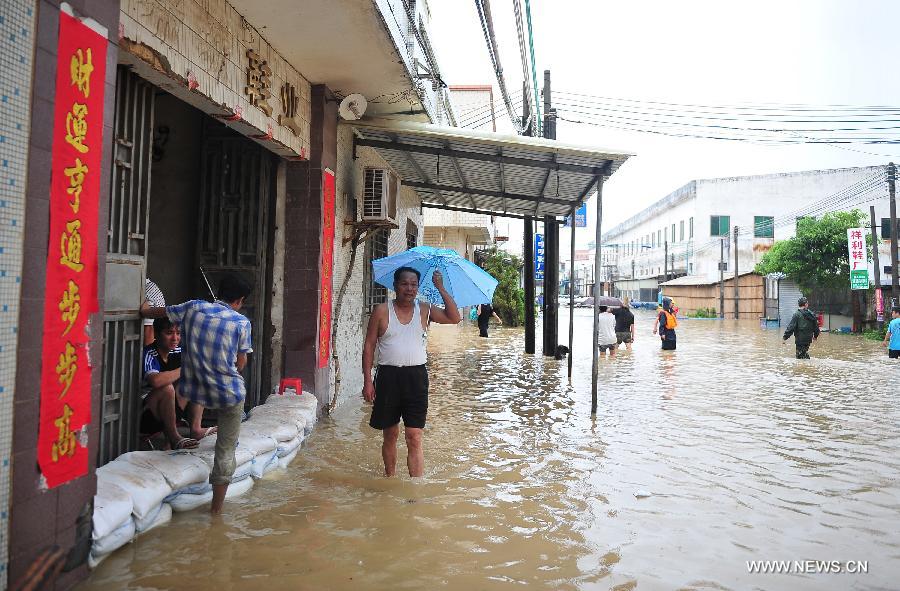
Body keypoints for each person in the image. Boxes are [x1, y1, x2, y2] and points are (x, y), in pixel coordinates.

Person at [142, 274, 253, 514]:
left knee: (194, 382)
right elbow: (241, 363)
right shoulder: (242, 323)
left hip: (195, 388)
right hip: (228, 393)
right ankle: (216, 511)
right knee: (225, 451)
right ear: (240, 300)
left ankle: (192, 429)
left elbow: (160, 312)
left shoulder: (193, 307)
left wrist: (144, 310)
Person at [362, 267, 461, 477]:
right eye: (404, 284)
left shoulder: (424, 309)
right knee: (390, 433)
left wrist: (440, 287)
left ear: (418, 287)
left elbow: (454, 318)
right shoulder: (381, 310)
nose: (409, 288)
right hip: (388, 377)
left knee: (414, 435)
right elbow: (369, 345)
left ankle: (415, 489)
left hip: (416, 378)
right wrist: (368, 381)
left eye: (414, 284)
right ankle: (390, 479)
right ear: (396, 286)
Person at [140, 317, 215, 450]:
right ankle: (174, 437)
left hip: (172, 410)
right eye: (169, 333)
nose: (175, 338)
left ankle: (196, 429)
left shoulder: (178, 351)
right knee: (167, 388)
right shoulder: (149, 353)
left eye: (178, 333)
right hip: (147, 415)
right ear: (156, 334)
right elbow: (155, 381)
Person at [144, 278, 166, 345]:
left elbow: (148, 328)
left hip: (154, 345)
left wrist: (149, 354)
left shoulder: (146, 291)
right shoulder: (150, 287)